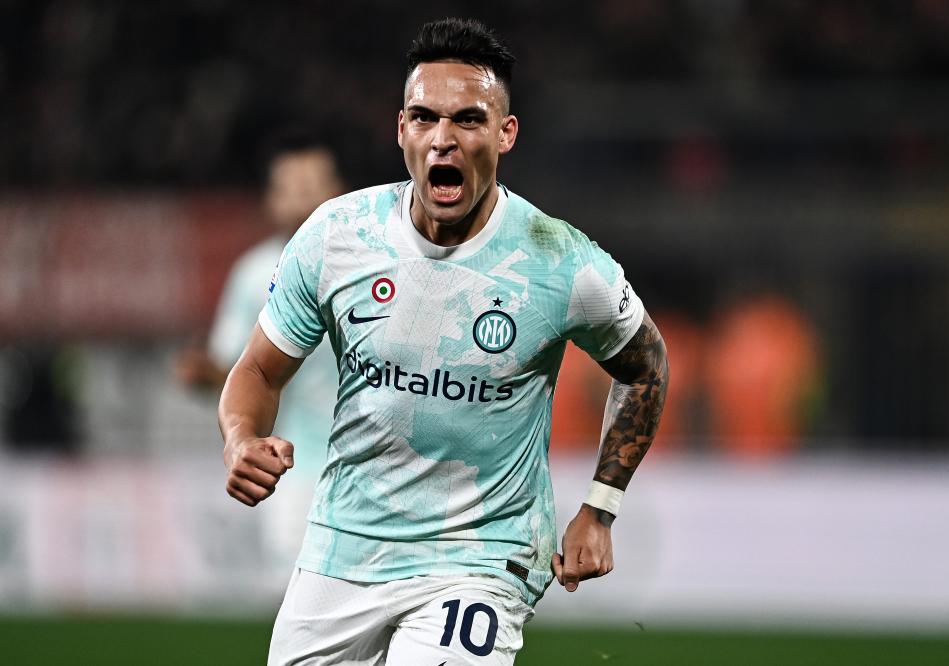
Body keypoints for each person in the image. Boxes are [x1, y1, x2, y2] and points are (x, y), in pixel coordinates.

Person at [219, 18, 668, 665]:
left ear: (505, 133)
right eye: (425, 118)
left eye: (468, 120)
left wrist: (600, 508)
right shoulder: (338, 237)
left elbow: (647, 366)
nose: (443, 139)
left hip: (481, 558)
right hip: (345, 546)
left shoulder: (558, 261)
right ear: (401, 128)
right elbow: (259, 372)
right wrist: (241, 439)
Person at [177, 130, 345, 564]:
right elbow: (242, 372)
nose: (305, 198)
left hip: (377, 470)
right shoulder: (254, 274)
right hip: (297, 468)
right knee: (298, 595)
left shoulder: (370, 262)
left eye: (314, 184)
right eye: (293, 187)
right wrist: (205, 375)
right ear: (272, 200)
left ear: (339, 190)